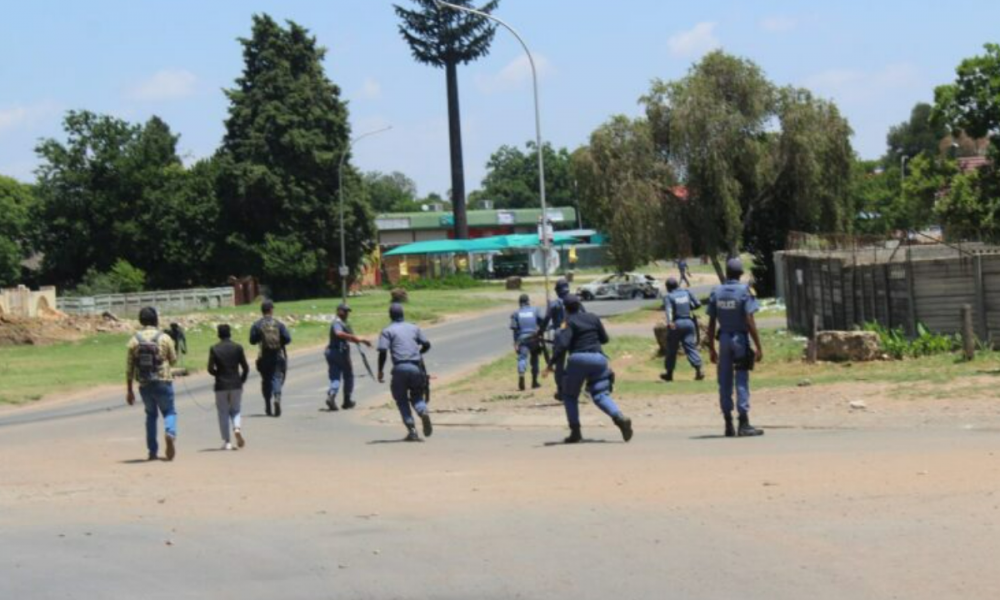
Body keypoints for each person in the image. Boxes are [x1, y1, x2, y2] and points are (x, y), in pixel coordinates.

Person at [547, 294, 633, 444]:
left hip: (578, 360)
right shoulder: (593, 317)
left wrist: (551, 363)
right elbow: (605, 339)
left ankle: (576, 432)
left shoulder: (568, 321)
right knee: (600, 394)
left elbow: (562, 345)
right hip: (599, 360)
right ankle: (619, 418)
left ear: (565, 309)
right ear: (580, 305)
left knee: (569, 396)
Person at [707, 258, 765, 438]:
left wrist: (711, 348)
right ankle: (744, 423)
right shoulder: (744, 291)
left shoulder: (716, 292)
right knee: (741, 379)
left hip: (723, 340)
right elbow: (749, 320)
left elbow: (710, 324)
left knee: (724, 380)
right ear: (740, 274)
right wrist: (758, 346)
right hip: (739, 340)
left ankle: (727, 424)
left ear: (726, 272)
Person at [126, 307, 179, 461]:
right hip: (163, 380)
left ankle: (152, 451)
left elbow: (129, 368)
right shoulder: (164, 337)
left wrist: (129, 391)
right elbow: (173, 359)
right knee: (169, 411)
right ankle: (170, 432)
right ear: (156, 319)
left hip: (144, 383)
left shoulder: (134, 340)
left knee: (151, 416)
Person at [377, 303, 433, 442]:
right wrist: (418, 354)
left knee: (402, 400)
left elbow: (383, 352)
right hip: (415, 368)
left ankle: (412, 431)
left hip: (400, 368)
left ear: (390, 316)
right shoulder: (414, 327)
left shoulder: (387, 331)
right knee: (417, 396)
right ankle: (422, 411)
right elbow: (427, 344)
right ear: (403, 314)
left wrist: (380, 371)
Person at [207, 324, 249, 451]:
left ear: (219, 335)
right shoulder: (238, 347)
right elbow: (246, 368)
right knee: (236, 409)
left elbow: (210, 368)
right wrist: (241, 380)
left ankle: (227, 442)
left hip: (221, 385)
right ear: (230, 333)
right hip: (236, 383)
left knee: (223, 412)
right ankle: (237, 428)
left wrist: (218, 374)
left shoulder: (214, 348)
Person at [325, 303, 371, 411]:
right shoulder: (337, 323)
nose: (346, 314)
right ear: (338, 311)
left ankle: (331, 395)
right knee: (348, 375)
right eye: (344, 311)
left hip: (332, 352)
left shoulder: (344, 324)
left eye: (347, 312)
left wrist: (362, 341)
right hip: (340, 353)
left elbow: (350, 338)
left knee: (335, 376)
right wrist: (356, 338)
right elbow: (339, 333)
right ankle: (347, 400)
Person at [249, 299, 292, 417]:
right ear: (271, 310)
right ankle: (277, 397)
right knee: (277, 377)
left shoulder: (257, 324)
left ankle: (268, 404)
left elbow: (252, 341)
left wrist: (260, 338)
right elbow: (288, 339)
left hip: (264, 356)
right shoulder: (278, 324)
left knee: (266, 380)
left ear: (262, 311)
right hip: (277, 355)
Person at [661, 277, 705, 382]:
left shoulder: (669, 296)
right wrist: (690, 307)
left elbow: (669, 310)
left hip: (676, 324)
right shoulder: (687, 292)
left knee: (672, 349)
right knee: (690, 347)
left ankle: (669, 374)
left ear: (668, 287)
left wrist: (670, 322)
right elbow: (698, 304)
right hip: (689, 323)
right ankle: (699, 369)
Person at [539, 277, 573, 400]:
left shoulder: (554, 304)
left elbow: (546, 319)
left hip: (559, 336)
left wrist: (540, 332)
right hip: (574, 335)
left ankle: (561, 389)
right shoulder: (575, 301)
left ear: (557, 290)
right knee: (575, 361)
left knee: (559, 364)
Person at [510, 294, 544, 391]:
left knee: (522, 358)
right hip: (534, 338)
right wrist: (540, 333)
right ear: (528, 301)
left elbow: (514, 330)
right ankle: (534, 381)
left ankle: (521, 374)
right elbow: (543, 322)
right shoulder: (535, 310)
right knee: (535, 359)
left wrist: (515, 343)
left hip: (522, 339)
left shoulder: (516, 313)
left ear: (519, 303)